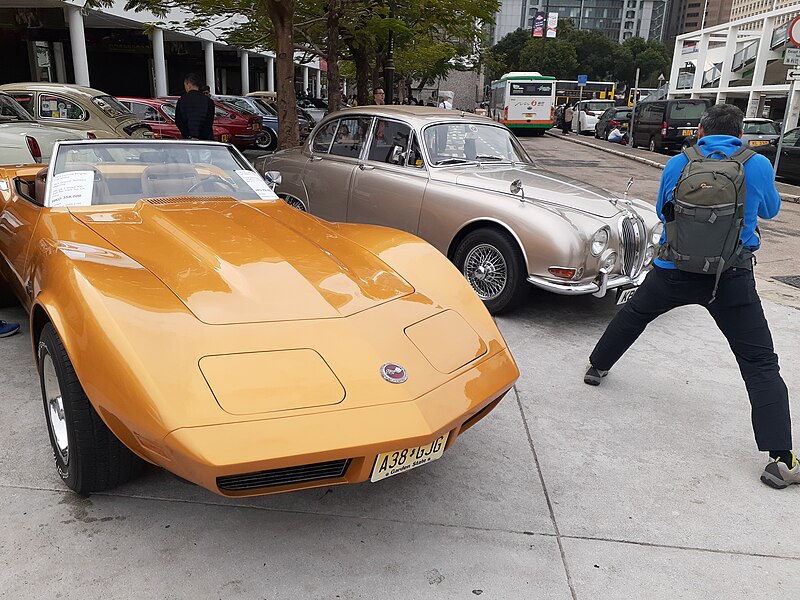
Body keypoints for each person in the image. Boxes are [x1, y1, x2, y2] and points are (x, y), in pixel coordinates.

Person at [583, 103, 797, 489]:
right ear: (739, 132)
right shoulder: (757, 164)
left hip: (672, 271)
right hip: (730, 278)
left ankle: (596, 367)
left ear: (700, 130)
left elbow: (665, 214)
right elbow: (770, 211)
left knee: (634, 315)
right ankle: (781, 460)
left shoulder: (679, 162)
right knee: (760, 361)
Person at [175, 73, 215, 141]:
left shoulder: (181, 100)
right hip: (206, 140)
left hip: (188, 140)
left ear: (189, 85)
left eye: (185, 85)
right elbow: (209, 122)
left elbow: (178, 121)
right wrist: (202, 137)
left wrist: (188, 136)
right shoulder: (208, 101)